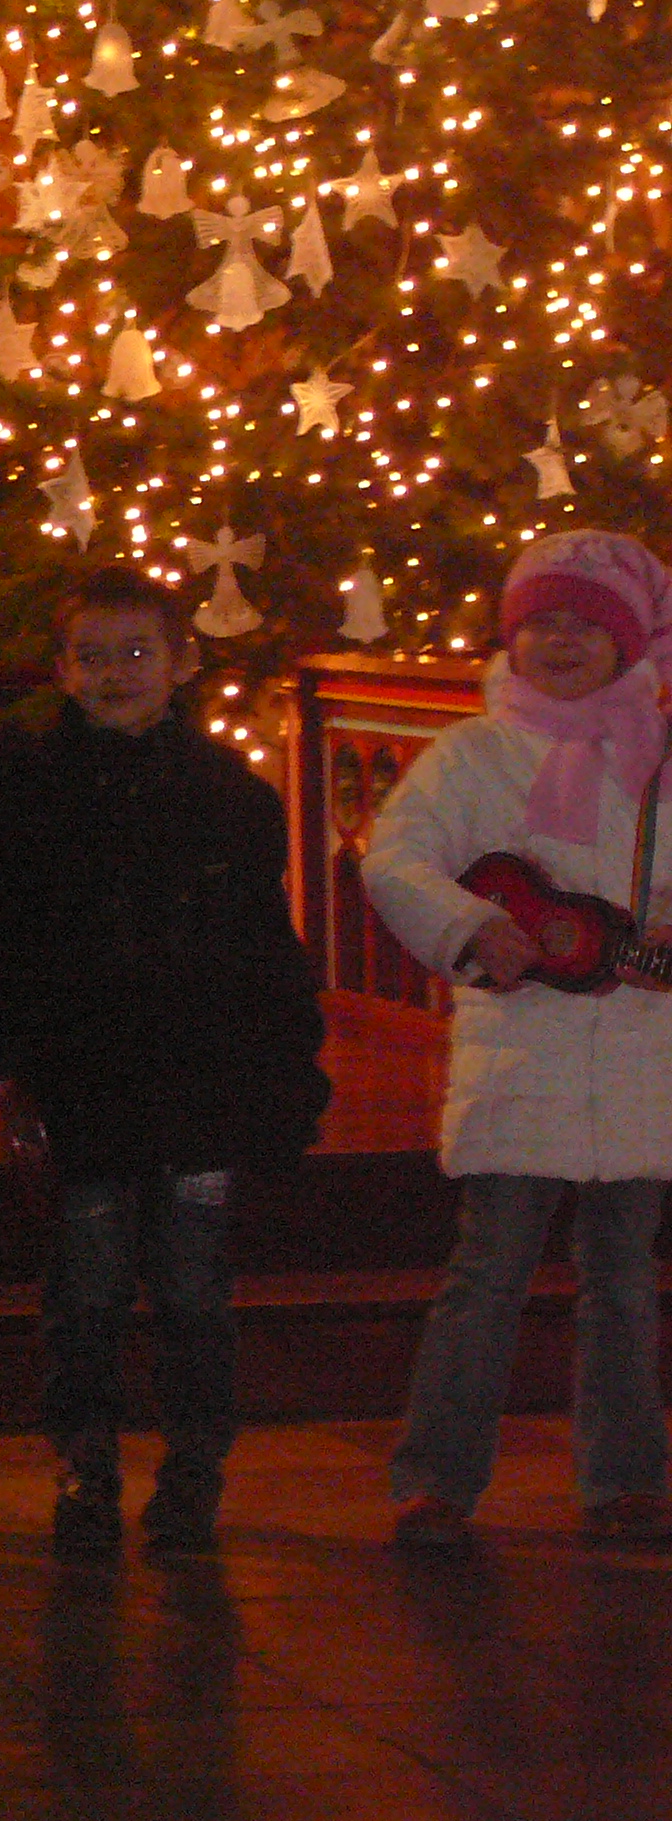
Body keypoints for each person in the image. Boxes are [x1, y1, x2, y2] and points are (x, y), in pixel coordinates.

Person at [0, 566, 328, 1556]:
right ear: (63, 669)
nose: (115, 673)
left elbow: (262, 945)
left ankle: (193, 1468)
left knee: (194, 1290)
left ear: (182, 662)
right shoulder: (28, 795)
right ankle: (86, 1464)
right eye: (92, 655)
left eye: (137, 652)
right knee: (86, 1288)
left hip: (197, 1080)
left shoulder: (228, 796)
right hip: (82, 1080)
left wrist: (286, 1072)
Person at [362, 530, 672, 1549]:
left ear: (629, 639)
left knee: (624, 1285)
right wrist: (469, 926)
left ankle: (624, 1478)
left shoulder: (660, 757)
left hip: (640, 1060)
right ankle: (437, 1481)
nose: (563, 639)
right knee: (486, 1275)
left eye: (588, 622)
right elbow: (395, 859)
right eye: (543, 621)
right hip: (519, 1058)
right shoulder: (472, 755)